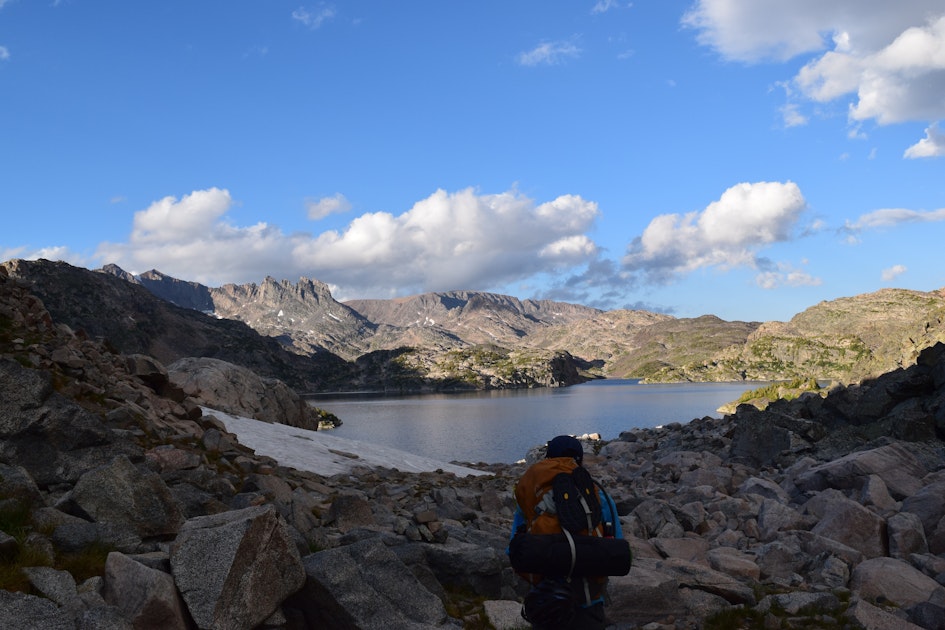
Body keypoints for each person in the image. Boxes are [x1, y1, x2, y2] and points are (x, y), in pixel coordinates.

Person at [509, 435, 624, 630]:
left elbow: (514, 547)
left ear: (548, 459)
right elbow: (615, 543)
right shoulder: (596, 494)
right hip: (589, 601)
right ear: (579, 460)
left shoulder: (532, 495)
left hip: (547, 602)